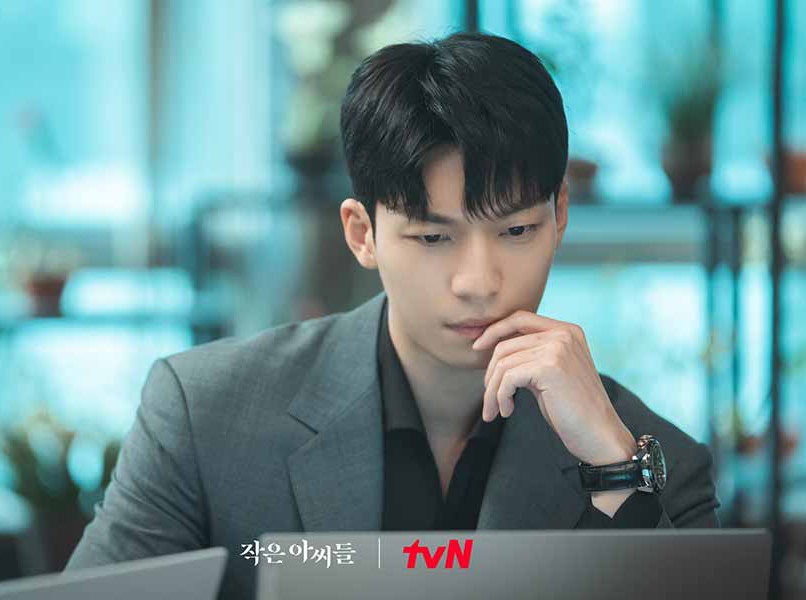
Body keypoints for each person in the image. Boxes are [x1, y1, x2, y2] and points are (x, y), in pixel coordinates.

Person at [65, 32, 721, 600]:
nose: (478, 282)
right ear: (363, 234)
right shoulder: (206, 415)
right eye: (434, 237)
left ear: (561, 216)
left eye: (516, 231)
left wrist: (614, 470)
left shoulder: (654, 456)